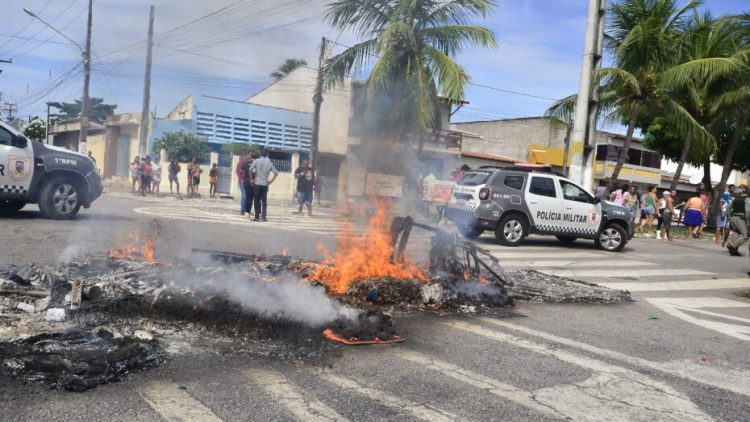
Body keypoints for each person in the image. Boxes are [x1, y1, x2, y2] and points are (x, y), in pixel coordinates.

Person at [248, 150, 279, 222]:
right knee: (264, 201)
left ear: (260, 154)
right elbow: (276, 173)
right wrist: (270, 181)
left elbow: (250, 170)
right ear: (267, 155)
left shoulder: (256, 161)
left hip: (257, 183)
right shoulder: (269, 162)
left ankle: (257, 217)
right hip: (265, 184)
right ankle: (264, 217)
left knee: (256, 200)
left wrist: (251, 179)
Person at [726, 185, 749, 257]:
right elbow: (748, 211)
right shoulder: (747, 199)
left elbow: (728, 208)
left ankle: (734, 251)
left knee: (736, 233)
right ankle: (732, 246)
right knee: (745, 236)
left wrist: (728, 216)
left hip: (733, 217)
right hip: (741, 218)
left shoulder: (735, 199)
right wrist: (748, 219)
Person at [242, 153, 256, 218]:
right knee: (252, 198)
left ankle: (247, 214)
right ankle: (249, 213)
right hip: (255, 182)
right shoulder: (257, 164)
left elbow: (241, 170)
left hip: (247, 182)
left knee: (248, 198)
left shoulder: (245, 163)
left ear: (250, 157)